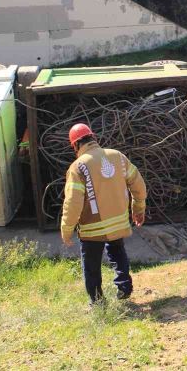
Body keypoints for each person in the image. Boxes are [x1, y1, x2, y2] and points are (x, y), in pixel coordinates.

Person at [61, 123, 148, 304]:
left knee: (91, 266)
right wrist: (138, 208)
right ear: (94, 138)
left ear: (76, 145)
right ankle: (124, 286)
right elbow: (138, 184)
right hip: (118, 223)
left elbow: (73, 202)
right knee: (117, 252)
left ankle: (98, 303)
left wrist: (66, 229)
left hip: (93, 229)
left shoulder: (78, 167)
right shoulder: (118, 157)